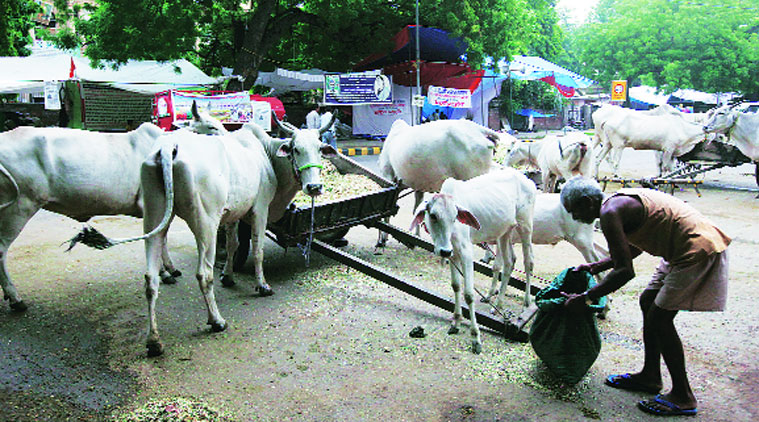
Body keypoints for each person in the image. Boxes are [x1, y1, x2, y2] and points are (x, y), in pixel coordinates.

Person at [560, 176, 730, 417]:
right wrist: (595, 267)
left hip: (695, 247)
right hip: (678, 249)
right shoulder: (616, 205)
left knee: (660, 318)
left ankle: (683, 396)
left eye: (574, 211)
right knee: (648, 302)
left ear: (587, 202)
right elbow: (634, 246)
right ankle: (650, 376)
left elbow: (624, 271)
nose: (574, 218)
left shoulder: (610, 213)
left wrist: (587, 298)